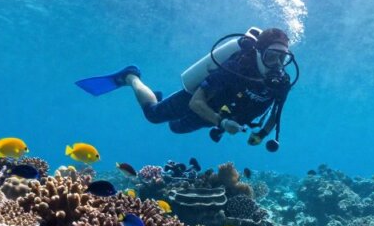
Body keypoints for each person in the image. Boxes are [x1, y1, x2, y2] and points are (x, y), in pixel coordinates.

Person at [75, 27, 297, 151]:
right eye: (271, 57)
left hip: (218, 117)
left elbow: (276, 114)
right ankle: (131, 76)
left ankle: (159, 97)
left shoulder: (282, 82)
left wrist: (261, 134)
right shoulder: (234, 69)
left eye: (283, 59)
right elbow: (195, 103)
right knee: (153, 115)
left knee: (176, 128)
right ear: (259, 53)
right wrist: (221, 122)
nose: (277, 65)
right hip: (201, 103)